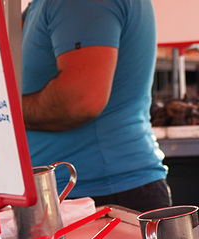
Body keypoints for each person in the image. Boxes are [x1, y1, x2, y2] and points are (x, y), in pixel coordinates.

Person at [21, 0, 172, 213]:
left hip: (99, 196)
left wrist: (5, 113)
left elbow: (80, 102)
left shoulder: (80, 4)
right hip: (84, 193)